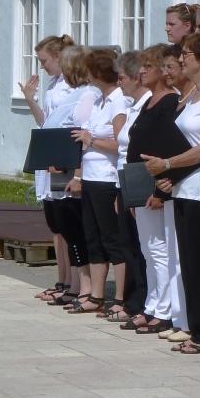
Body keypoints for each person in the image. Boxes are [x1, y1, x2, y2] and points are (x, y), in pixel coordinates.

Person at [144, 32, 200, 352]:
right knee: (189, 263)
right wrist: (170, 172)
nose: (182, 59)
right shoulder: (195, 94)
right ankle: (197, 328)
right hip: (183, 186)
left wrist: (168, 163)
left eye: (187, 54)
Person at [124, 44, 188, 341]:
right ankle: (152, 303)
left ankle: (164, 309)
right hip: (139, 181)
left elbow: (168, 147)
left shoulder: (170, 101)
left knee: (160, 249)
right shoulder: (150, 101)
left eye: (147, 66)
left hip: (157, 183)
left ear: (162, 71)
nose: (141, 72)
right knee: (148, 249)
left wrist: (160, 190)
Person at [67, 49, 133, 315]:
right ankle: (95, 294)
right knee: (93, 238)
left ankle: (120, 296)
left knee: (112, 238)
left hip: (108, 178)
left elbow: (121, 143)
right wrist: (79, 175)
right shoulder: (98, 101)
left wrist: (91, 140)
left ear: (98, 73)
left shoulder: (119, 101)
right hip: (91, 178)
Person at [19, 34, 75, 302]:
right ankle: (62, 279)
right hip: (49, 156)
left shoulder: (71, 87)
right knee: (55, 226)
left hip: (61, 159)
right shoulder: (53, 85)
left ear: (58, 57)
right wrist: (30, 99)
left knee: (66, 225)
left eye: (44, 61)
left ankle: (71, 282)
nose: (41, 66)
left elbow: (66, 125)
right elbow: (45, 123)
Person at [41, 45, 97, 308]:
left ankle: (83, 286)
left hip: (72, 169)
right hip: (60, 166)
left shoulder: (88, 94)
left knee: (74, 228)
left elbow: (80, 133)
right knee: (66, 227)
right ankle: (74, 284)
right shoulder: (76, 93)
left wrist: (77, 174)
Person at [106, 50, 151, 322]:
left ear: (137, 77)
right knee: (129, 243)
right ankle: (134, 301)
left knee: (141, 246)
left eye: (122, 77)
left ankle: (141, 301)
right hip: (125, 180)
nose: (119, 82)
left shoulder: (146, 105)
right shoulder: (132, 106)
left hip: (139, 180)